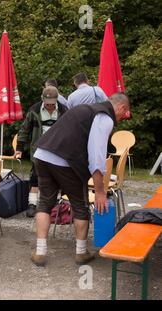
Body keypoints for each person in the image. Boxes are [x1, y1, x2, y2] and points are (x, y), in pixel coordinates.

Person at [31, 92, 131, 267]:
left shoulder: (86, 109)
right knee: (80, 204)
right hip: (65, 160)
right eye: (125, 113)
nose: (123, 117)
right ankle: (81, 252)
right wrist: (100, 192)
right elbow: (96, 158)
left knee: (45, 203)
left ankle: (40, 252)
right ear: (122, 107)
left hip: (42, 154)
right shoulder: (104, 117)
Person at [14, 86, 68, 218]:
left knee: (58, 177)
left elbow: (69, 131)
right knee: (35, 178)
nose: (50, 106)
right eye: (47, 103)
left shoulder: (63, 110)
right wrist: (19, 149)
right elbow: (24, 130)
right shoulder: (34, 110)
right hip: (39, 150)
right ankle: (32, 204)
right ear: (42, 99)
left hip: (57, 150)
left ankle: (57, 204)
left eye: (52, 104)